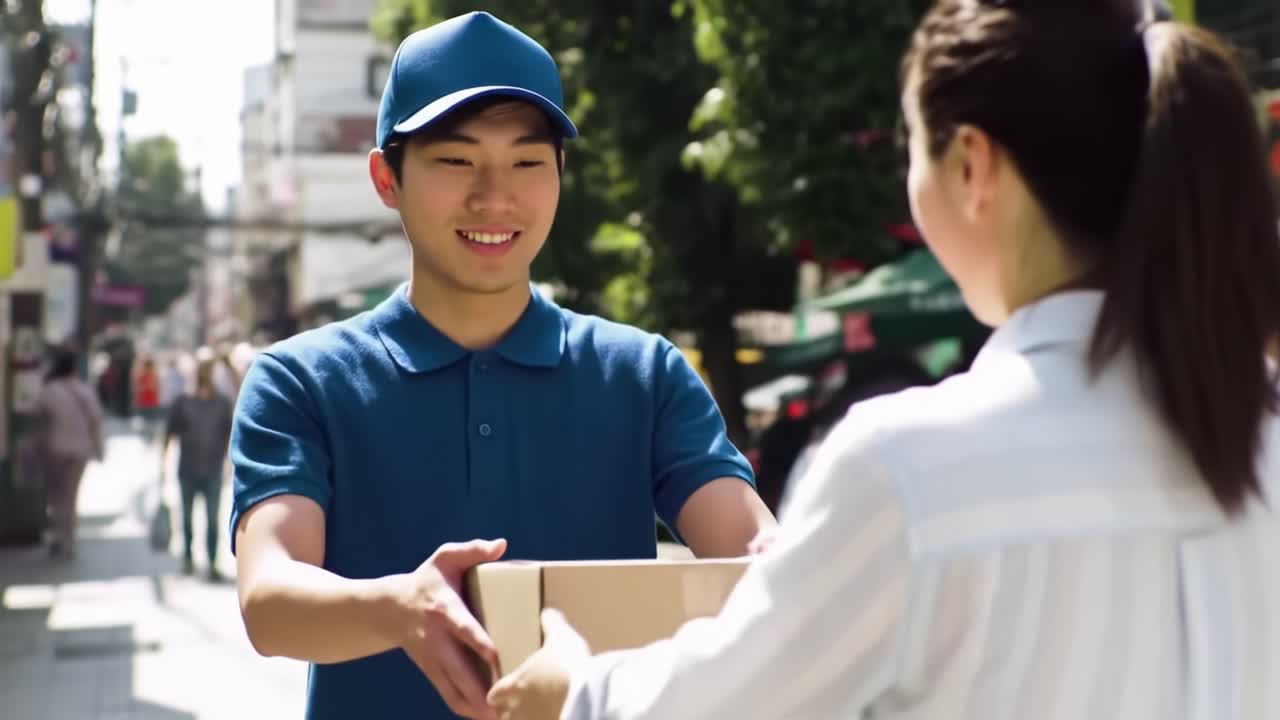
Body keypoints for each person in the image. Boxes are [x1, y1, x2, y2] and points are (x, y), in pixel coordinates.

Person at [489, 1, 1280, 718]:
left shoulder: (906, 470)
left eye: (912, 144)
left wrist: (573, 687)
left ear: (971, 165)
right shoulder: (1256, 426)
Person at [229, 11, 776, 720]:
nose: (495, 197)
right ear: (385, 177)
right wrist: (400, 608)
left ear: (559, 175)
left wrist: (793, 556)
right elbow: (269, 599)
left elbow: (754, 552)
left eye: (526, 161)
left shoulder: (644, 374)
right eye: (456, 161)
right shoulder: (299, 381)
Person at [162, 358, 233, 581]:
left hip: (212, 469)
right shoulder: (183, 402)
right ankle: (188, 559)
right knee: (186, 517)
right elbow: (169, 433)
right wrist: (162, 464)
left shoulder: (222, 403)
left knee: (212, 519)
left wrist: (230, 463)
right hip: (188, 468)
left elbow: (231, 435)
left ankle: (212, 563)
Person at [37, 348, 105, 558]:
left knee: (57, 497)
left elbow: (38, 417)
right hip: (79, 450)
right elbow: (96, 420)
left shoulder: (49, 391)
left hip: (55, 448)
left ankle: (58, 535)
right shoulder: (84, 391)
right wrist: (99, 447)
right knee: (71, 496)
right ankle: (69, 541)